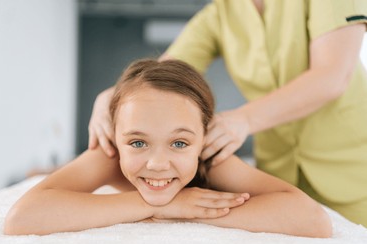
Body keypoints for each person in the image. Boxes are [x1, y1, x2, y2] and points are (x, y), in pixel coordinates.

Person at [88, 0, 367, 226]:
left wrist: (244, 119)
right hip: (281, 165)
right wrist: (109, 97)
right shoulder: (220, 13)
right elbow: (161, 77)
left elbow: (331, 76)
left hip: (349, 162)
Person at [4, 59, 331, 237]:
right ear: (116, 138)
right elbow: (22, 218)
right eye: (137, 142)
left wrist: (188, 207)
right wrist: (161, 207)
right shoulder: (110, 156)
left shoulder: (211, 160)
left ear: (203, 139)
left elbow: (313, 220)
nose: (158, 163)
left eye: (179, 143)